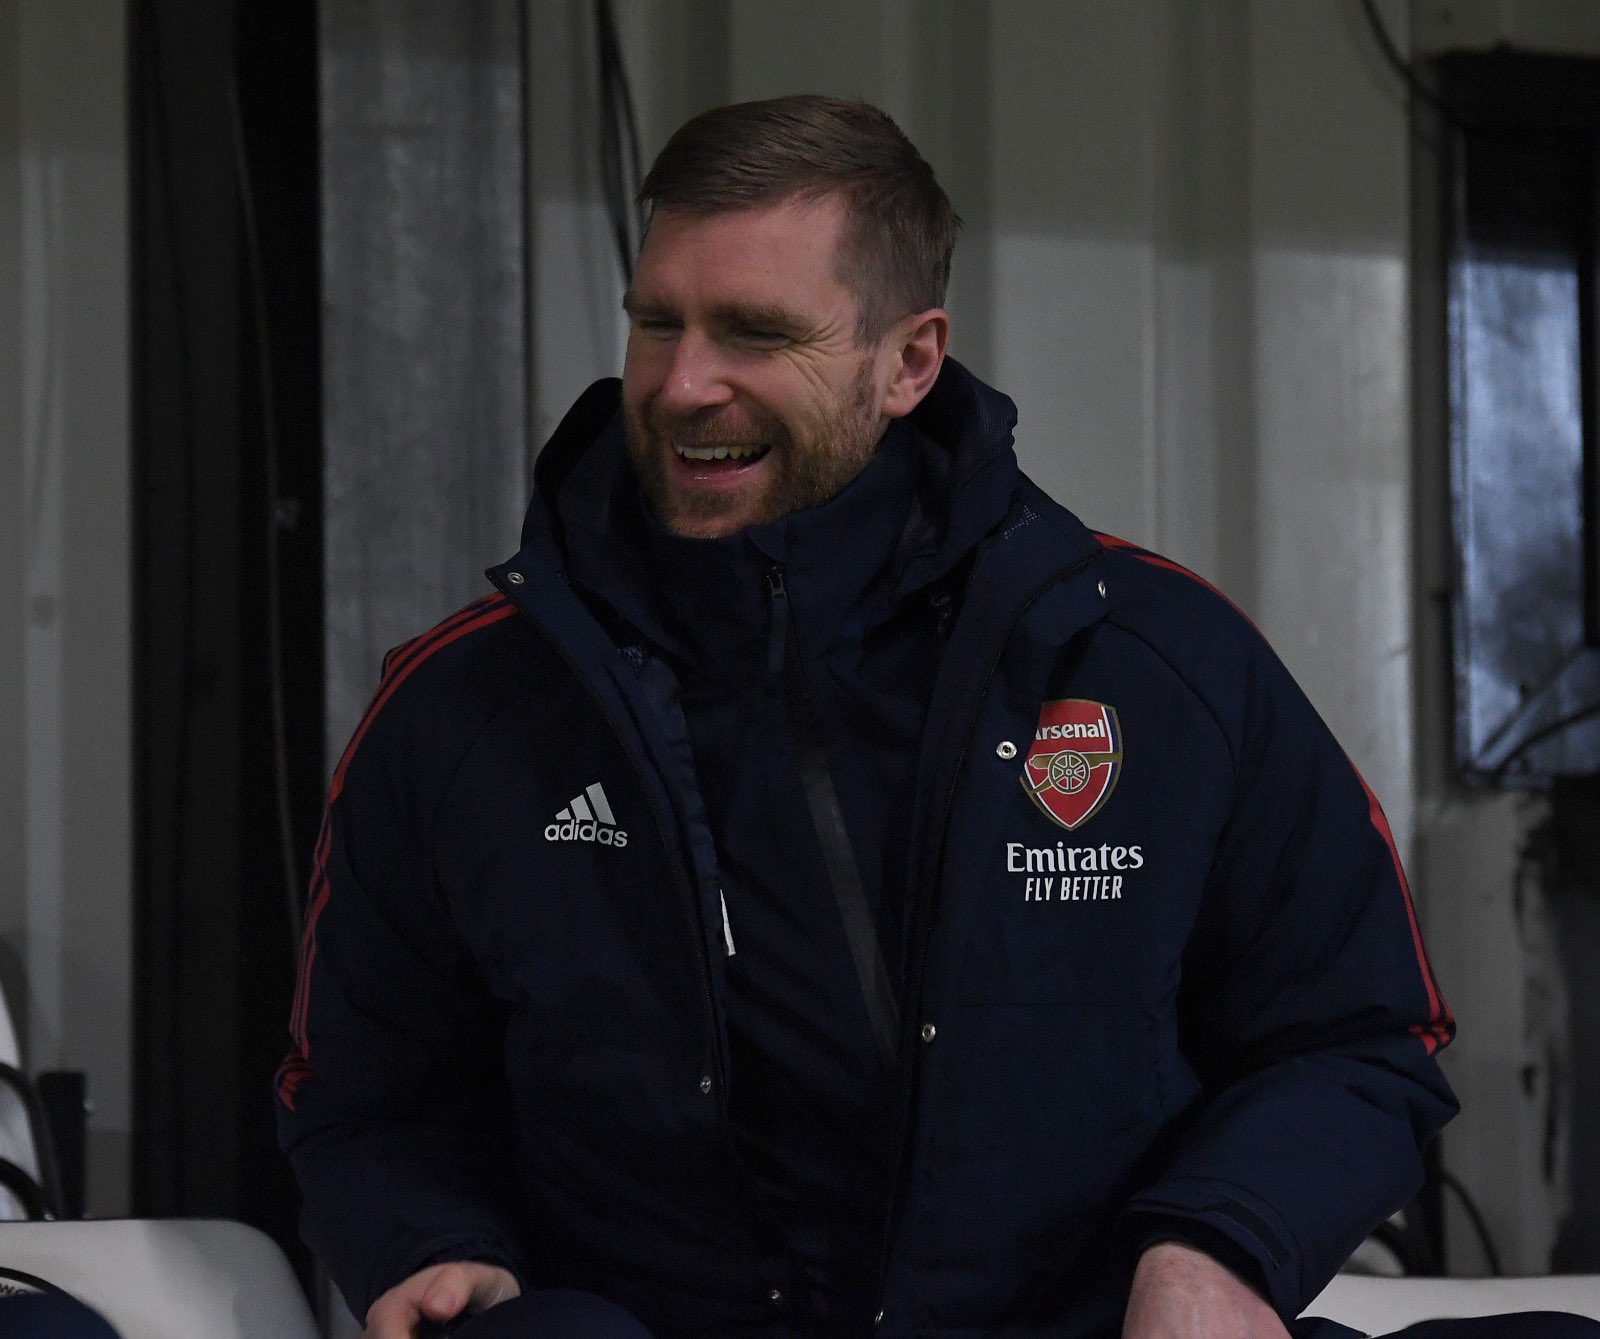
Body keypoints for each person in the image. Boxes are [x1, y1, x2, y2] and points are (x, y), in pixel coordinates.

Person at [275, 95, 1596, 1339]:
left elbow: (1361, 1032)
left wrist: (1218, 1246)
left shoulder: (1153, 660)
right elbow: (365, 1097)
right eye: (656, 323)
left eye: (754, 332)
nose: (682, 385)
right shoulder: (462, 709)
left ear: (910, 361)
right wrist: (428, 1241)